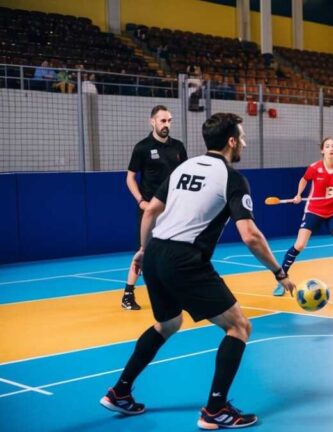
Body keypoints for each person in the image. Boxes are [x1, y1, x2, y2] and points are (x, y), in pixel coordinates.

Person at [100, 113, 296, 429]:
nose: (243, 141)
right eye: (242, 137)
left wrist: (142, 249)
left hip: (156, 252)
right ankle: (215, 409)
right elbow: (250, 235)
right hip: (184, 259)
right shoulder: (232, 178)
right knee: (240, 327)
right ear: (231, 141)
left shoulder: (182, 168)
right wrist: (278, 271)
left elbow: (151, 210)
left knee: (168, 323)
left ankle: (120, 392)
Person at [123, 105, 188, 310]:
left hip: (173, 209)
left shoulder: (178, 147)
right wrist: (141, 201)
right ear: (152, 121)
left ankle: (172, 292)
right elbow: (130, 177)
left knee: (173, 251)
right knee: (143, 251)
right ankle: (128, 294)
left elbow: (184, 175)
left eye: (169, 120)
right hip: (150, 209)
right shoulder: (142, 147)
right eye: (162, 121)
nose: (166, 124)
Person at [273, 137, 333, 296]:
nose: (331, 149)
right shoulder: (315, 168)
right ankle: (282, 280)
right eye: (327, 146)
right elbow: (304, 180)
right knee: (299, 245)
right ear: (322, 150)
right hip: (314, 210)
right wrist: (298, 195)